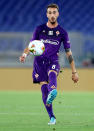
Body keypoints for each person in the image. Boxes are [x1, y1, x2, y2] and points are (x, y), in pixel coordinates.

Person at [19, 3, 79, 125]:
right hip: (39, 63)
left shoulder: (62, 32)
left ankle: (53, 90)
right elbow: (31, 46)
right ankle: (52, 117)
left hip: (53, 61)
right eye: (50, 13)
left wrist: (74, 72)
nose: (52, 15)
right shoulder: (39, 29)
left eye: (54, 12)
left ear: (58, 14)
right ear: (47, 14)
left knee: (52, 73)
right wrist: (24, 55)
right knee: (44, 92)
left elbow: (68, 53)